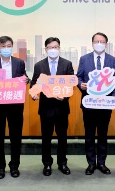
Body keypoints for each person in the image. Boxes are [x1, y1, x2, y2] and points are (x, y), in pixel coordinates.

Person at [76, 32, 115, 175]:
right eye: (96, 41)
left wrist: (114, 96)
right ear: (92, 43)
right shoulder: (84, 59)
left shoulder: (112, 60)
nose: (99, 44)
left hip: (105, 103)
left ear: (106, 44)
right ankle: (90, 164)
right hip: (89, 103)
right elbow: (78, 77)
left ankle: (101, 163)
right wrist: (80, 84)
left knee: (102, 134)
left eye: (102, 41)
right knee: (89, 135)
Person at [0, 36, 28, 179]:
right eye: (3, 46)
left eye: (9, 45)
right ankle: (0, 167)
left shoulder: (19, 62)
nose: (6, 48)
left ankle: (14, 166)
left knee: (16, 137)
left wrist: (27, 80)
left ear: (12, 47)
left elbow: (25, 78)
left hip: (15, 106)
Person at [30, 37, 74, 176]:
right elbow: (34, 85)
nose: (53, 50)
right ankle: (47, 164)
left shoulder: (67, 64)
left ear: (59, 48)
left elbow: (71, 84)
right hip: (46, 108)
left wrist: (65, 95)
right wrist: (33, 93)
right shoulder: (39, 65)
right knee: (46, 137)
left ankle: (62, 163)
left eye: (55, 47)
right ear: (46, 49)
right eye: (50, 47)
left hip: (61, 107)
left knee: (62, 137)